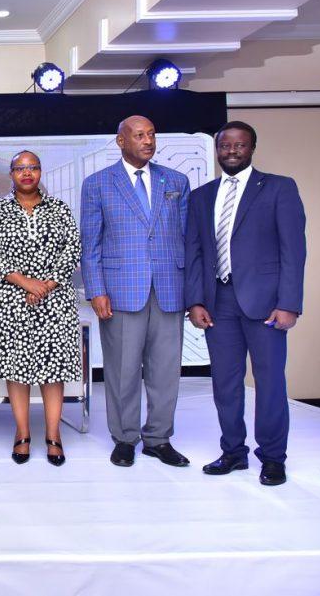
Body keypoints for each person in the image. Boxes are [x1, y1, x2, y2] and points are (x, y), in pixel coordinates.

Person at [185, 121, 306, 486]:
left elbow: (294, 251)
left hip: (266, 303)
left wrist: (289, 303)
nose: (232, 151)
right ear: (217, 150)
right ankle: (233, 452)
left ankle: (272, 458)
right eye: (225, 146)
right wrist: (195, 301)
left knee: (269, 382)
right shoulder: (202, 196)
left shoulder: (279, 188)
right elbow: (194, 252)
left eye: (240, 145)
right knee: (225, 383)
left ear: (252, 148)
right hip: (218, 302)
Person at [80, 115, 191, 468]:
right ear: (121, 141)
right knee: (122, 370)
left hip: (170, 288)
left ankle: (158, 438)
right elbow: (91, 243)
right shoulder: (98, 184)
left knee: (165, 371)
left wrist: (193, 290)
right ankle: (125, 438)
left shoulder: (176, 180)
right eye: (140, 135)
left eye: (152, 135)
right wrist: (96, 289)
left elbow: (187, 239)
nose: (148, 141)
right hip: (120, 290)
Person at [0, 151, 82, 466]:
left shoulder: (60, 210)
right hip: (12, 302)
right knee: (17, 370)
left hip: (55, 302)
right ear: (11, 173)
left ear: (40, 172)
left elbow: (72, 248)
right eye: (20, 168)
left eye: (33, 168)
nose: (27, 173)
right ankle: (22, 434)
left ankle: (53, 436)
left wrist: (46, 284)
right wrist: (25, 282)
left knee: (53, 371)